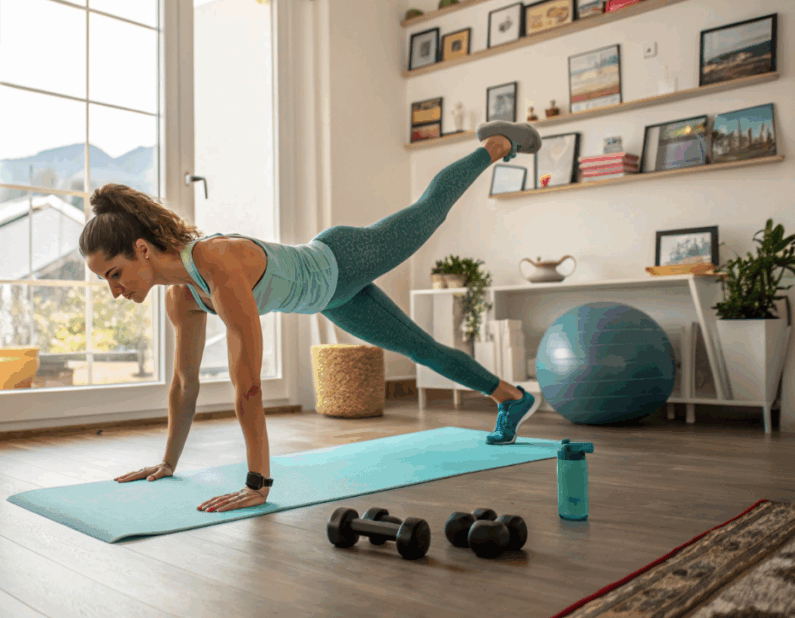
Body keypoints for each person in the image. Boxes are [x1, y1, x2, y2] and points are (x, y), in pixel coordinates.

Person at [81, 121, 543, 514]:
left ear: (142, 250)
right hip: (331, 297)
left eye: (115, 274)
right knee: (419, 348)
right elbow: (185, 384)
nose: (115, 290)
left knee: (428, 211)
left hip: (346, 257)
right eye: (106, 280)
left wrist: (257, 484)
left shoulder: (216, 263)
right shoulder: (181, 298)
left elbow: (249, 385)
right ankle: (511, 398)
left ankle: (499, 144)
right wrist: (169, 463)